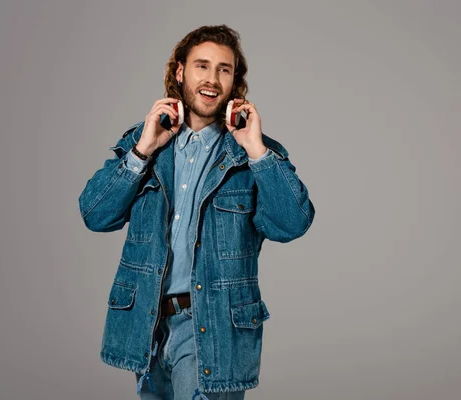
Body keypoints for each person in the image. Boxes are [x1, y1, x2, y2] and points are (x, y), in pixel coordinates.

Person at [78, 24, 315, 400]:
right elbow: (95, 214)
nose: (212, 79)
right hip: (149, 329)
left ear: (235, 80)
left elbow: (293, 222)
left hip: (212, 327)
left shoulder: (250, 154)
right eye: (202, 66)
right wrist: (141, 152)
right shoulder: (145, 143)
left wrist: (256, 150)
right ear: (180, 72)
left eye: (224, 69)